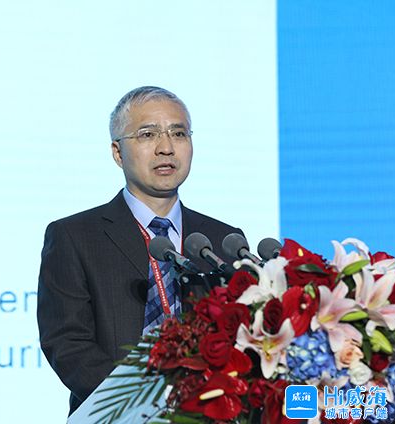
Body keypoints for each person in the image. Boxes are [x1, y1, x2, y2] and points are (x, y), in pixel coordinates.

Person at [37, 86, 243, 415]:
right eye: (147, 134)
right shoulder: (74, 236)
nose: (166, 148)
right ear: (118, 152)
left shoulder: (222, 241)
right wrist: (144, 406)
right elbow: (67, 343)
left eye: (178, 133)